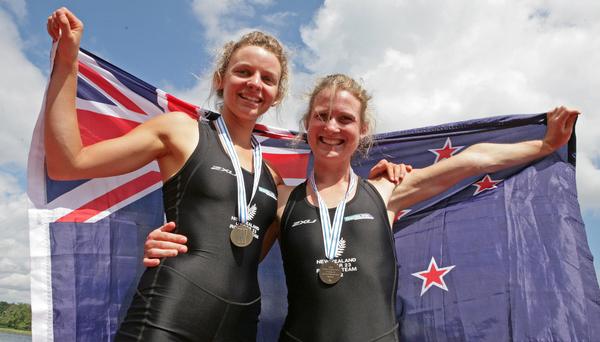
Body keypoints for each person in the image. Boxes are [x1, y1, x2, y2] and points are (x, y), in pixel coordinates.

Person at [44, 9, 403, 341]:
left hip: (240, 325)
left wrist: (380, 183)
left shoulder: (274, 180)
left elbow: (255, 248)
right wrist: (67, 62)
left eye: (267, 78)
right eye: (243, 72)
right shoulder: (180, 131)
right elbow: (68, 163)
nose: (254, 84)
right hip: (169, 311)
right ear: (220, 79)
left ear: (276, 95)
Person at [146, 74, 579, 341]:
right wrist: (165, 245)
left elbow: (471, 161)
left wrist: (544, 144)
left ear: (362, 130)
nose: (331, 127)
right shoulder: (281, 199)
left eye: (344, 119)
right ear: (307, 126)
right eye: (321, 116)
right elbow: (229, 255)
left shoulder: (386, 192)